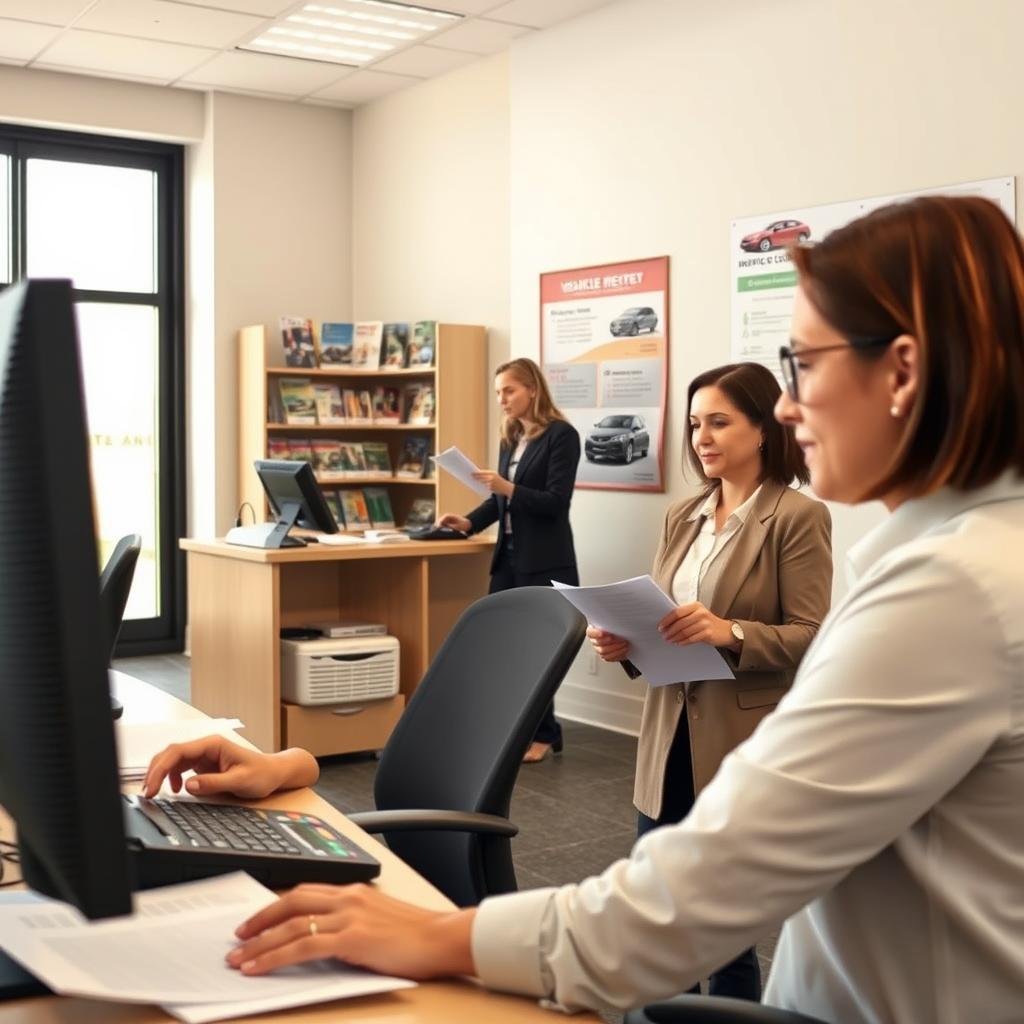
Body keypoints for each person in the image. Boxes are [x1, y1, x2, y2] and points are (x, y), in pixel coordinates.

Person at [145, 195, 1024, 1023]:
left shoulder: (951, 590)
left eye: (802, 365)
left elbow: (702, 886)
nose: (789, 404)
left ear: (902, 369)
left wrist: (434, 932)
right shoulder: (952, 557)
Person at [587, 361, 831, 1001]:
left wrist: (732, 632)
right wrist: (624, 644)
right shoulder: (683, 515)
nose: (702, 438)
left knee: (723, 925)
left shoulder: (797, 516)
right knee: (658, 905)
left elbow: (813, 633)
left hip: (738, 740)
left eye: (719, 422)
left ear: (763, 428)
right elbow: (661, 620)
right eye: (695, 424)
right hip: (666, 735)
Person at [437, 356, 581, 763]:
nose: (502, 399)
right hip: (509, 558)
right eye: (498, 391)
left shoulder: (562, 436)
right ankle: (521, 730)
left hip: (545, 561)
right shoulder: (510, 437)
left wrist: (507, 486)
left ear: (532, 389)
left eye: (509, 390)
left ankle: (546, 733)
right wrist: (468, 521)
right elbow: (499, 499)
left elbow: (555, 502)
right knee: (504, 647)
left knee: (538, 651)